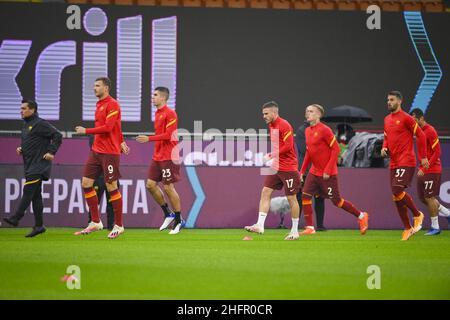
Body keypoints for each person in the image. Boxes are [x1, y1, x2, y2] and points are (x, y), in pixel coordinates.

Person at [299, 104, 369, 235]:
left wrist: (327, 169)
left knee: (337, 202)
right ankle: (310, 228)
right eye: (307, 111)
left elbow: (336, 149)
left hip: (328, 174)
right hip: (314, 172)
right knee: (305, 196)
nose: (308, 113)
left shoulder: (325, 130)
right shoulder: (307, 131)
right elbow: (309, 153)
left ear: (318, 115)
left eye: (311, 111)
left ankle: (361, 216)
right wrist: (302, 172)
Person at [74, 77, 130, 239]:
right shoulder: (99, 104)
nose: (94, 88)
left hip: (109, 153)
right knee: (86, 183)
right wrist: (122, 140)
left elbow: (109, 127)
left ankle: (119, 225)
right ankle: (96, 221)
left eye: (97, 86)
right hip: (96, 150)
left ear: (106, 88)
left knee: (111, 186)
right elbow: (117, 127)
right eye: (94, 86)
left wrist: (86, 131)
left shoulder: (113, 104)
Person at [3, 100, 62, 237]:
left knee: (28, 191)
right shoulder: (25, 125)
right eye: (21, 108)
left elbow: (57, 135)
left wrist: (51, 151)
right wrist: (22, 149)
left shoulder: (40, 123)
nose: (21, 111)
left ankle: (16, 217)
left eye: (24, 108)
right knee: (36, 196)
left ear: (33, 110)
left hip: (39, 165)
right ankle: (39, 225)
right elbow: (32, 142)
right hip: (29, 164)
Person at [244, 101, 301, 240]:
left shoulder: (284, 125)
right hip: (276, 166)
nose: (263, 116)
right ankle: (260, 225)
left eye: (266, 113)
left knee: (291, 198)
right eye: (263, 113)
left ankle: (294, 231)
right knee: (266, 192)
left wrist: (270, 155)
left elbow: (288, 146)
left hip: (288, 167)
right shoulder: (271, 125)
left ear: (274, 113)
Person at [136, 87, 184, 235]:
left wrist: (149, 138)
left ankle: (178, 219)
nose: (153, 97)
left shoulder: (171, 113)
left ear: (163, 98)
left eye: (155, 95)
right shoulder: (157, 113)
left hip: (169, 156)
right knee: (150, 185)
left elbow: (169, 135)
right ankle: (168, 213)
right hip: (157, 156)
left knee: (169, 188)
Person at [381, 91, 428, 241]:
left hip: (406, 160)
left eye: (392, 100)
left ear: (400, 101)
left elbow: (421, 135)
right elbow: (386, 136)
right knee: (396, 196)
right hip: (393, 162)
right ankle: (407, 228)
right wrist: (384, 147)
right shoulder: (387, 119)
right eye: (388, 99)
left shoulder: (407, 118)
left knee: (397, 189)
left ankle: (417, 214)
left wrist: (424, 157)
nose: (389, 102)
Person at [410, 108, 450, 235]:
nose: (413, 122)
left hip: (432, 169)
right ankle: (448, 214)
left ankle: (435, 227)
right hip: (423, 169)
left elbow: (438, 152)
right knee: (423, 198)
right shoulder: (418, 132)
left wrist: (425, 167)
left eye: (415, 119)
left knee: (429, 197)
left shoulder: (430, 130)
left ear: (421, 118)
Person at [296, 119, 326, 231]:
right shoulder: (302, 131)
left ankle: (320, 226)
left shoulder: (321, 130)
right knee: (300, 197)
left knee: (320, 197)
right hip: (305, 169)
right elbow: (304, 150)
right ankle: (296, 224)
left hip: (319, 169)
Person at [86, 135, 116, 231]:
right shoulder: (94, 135)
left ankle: (111, 226)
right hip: (98, 175)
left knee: (112, 202)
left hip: (111, 173)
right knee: (94, 201)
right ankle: (92, 222)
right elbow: (95, 149)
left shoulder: (113, 135)